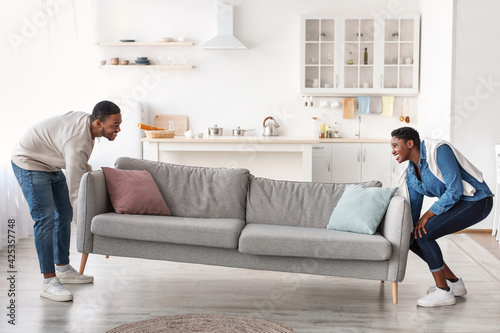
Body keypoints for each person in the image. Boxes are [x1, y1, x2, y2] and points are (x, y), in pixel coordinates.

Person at [11, 101, 122, 302]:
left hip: (50, 163)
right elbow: (76, 192)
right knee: (45, 219)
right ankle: (48, 281)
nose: (119, 129)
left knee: (64, 213)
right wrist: (88, 230)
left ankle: (62, 268)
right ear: (98, 123)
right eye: (115, 125)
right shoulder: (77, 142)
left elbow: (79, 166)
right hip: (29, 162)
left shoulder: (87, 126)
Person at [390, 127, 493, 307]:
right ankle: (454, 283)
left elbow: (455, 190)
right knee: (415, 236)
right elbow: (413, 209)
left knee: (424, 234)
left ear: (410, 143)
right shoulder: (411, 173)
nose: (392, 151)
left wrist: (428, 215)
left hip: (476, 200)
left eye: (395, 145)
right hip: (459, 204)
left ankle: (444, 292)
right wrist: (405, 234)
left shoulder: (438, 150)